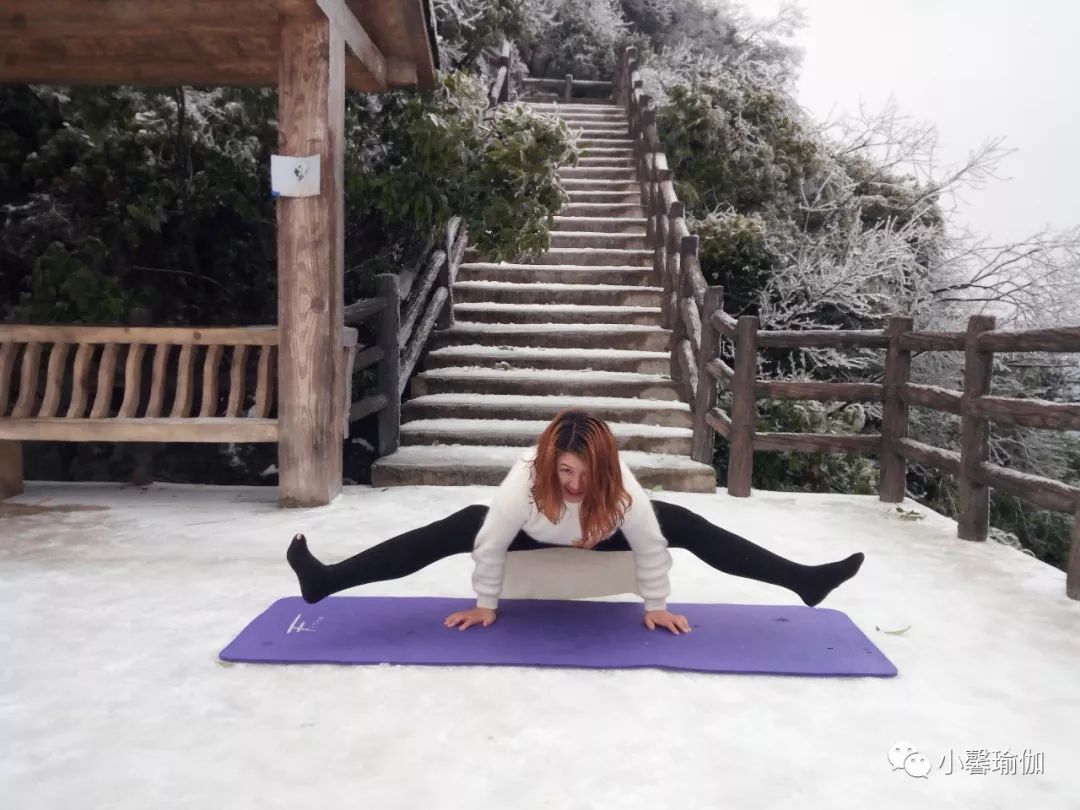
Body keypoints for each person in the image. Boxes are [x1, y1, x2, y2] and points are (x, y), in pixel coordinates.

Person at [286, 409, 865, 636]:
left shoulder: (623, 492)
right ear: (550, 463)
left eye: (586, 471)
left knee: (679, 518)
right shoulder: (524, 479)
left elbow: (651, 543)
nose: (574, 482)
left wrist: (655, 605)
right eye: (565, 470)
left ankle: (803, 581)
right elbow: (489, 545)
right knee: (465, 521)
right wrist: (487, 605)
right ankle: (326, 581)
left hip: (604, 540)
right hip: (528, 538)